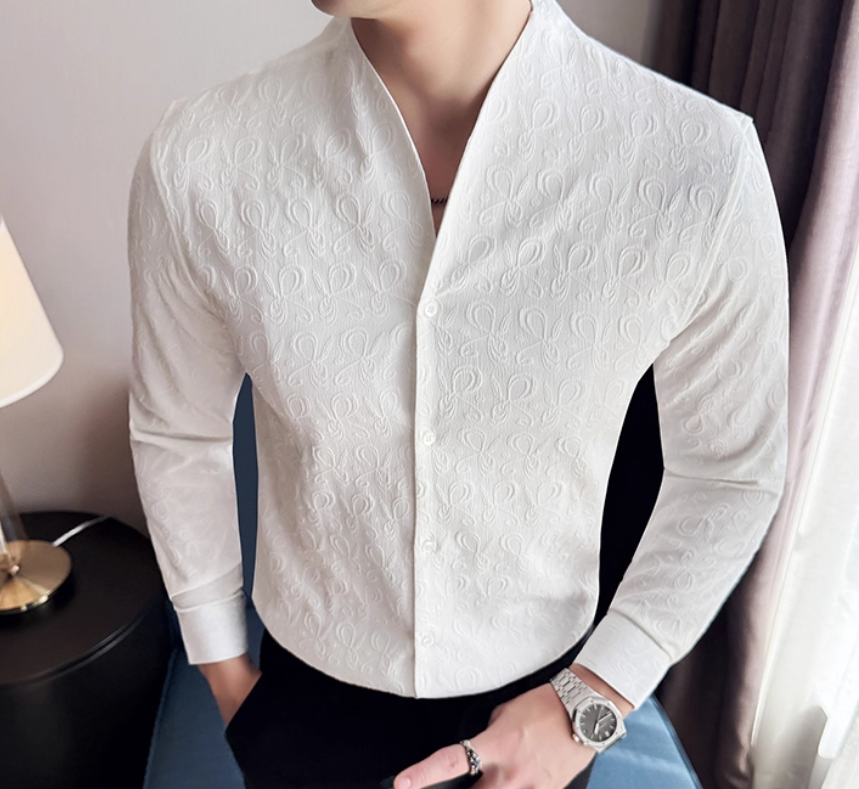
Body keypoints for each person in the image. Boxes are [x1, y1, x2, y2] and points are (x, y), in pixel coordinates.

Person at [126, 0, 789, 787]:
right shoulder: (203, 158)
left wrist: (596, 696)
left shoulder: (698, 166)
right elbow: (179, 431)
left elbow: (727, 470)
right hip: (304, 707)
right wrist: (225, 674)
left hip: (540, 706)